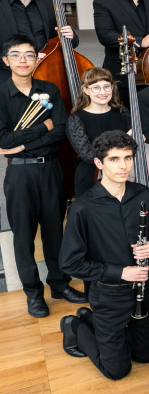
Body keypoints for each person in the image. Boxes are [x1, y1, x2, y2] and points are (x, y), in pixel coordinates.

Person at [58, 131, 149, 376]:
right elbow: (69, 263)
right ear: (99, 163)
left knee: (147, 357)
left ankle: (92, 321)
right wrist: (120, 272)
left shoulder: (143, 195)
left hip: (145, 290)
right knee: (116, 371)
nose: (123, 165)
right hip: (109, 296)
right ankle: (74, 325)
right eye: (114, 159)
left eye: (127, 157)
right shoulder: (82, 208)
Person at [1, 34, 83, 317]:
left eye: (29, 54)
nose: (23, 60)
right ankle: (33, 294)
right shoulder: (0, 94)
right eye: (16, 55)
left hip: (50, 169)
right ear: (5, 60)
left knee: (54, 232)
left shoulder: (49, 89)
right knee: (23, 238)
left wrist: (20, 142)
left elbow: (60, 131)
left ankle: (60, 284)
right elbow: (3, 141)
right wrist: (39, 130)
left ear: (37, 58)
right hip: (20, 176)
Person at [0, 0, 78, 83]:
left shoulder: (49, 4)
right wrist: (21, 64)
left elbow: (72, 41)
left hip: (50, 74)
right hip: (9, 78)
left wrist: (71, 37)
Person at [67, 67, 132, 198]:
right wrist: (127, 138)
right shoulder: (76, 119)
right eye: (96, 87)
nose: (103, 92)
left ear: (112, 88)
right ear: (86, 90)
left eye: (107, 86)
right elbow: (88, 155)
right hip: (91, 178)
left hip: (125, 174)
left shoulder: (123, 112)